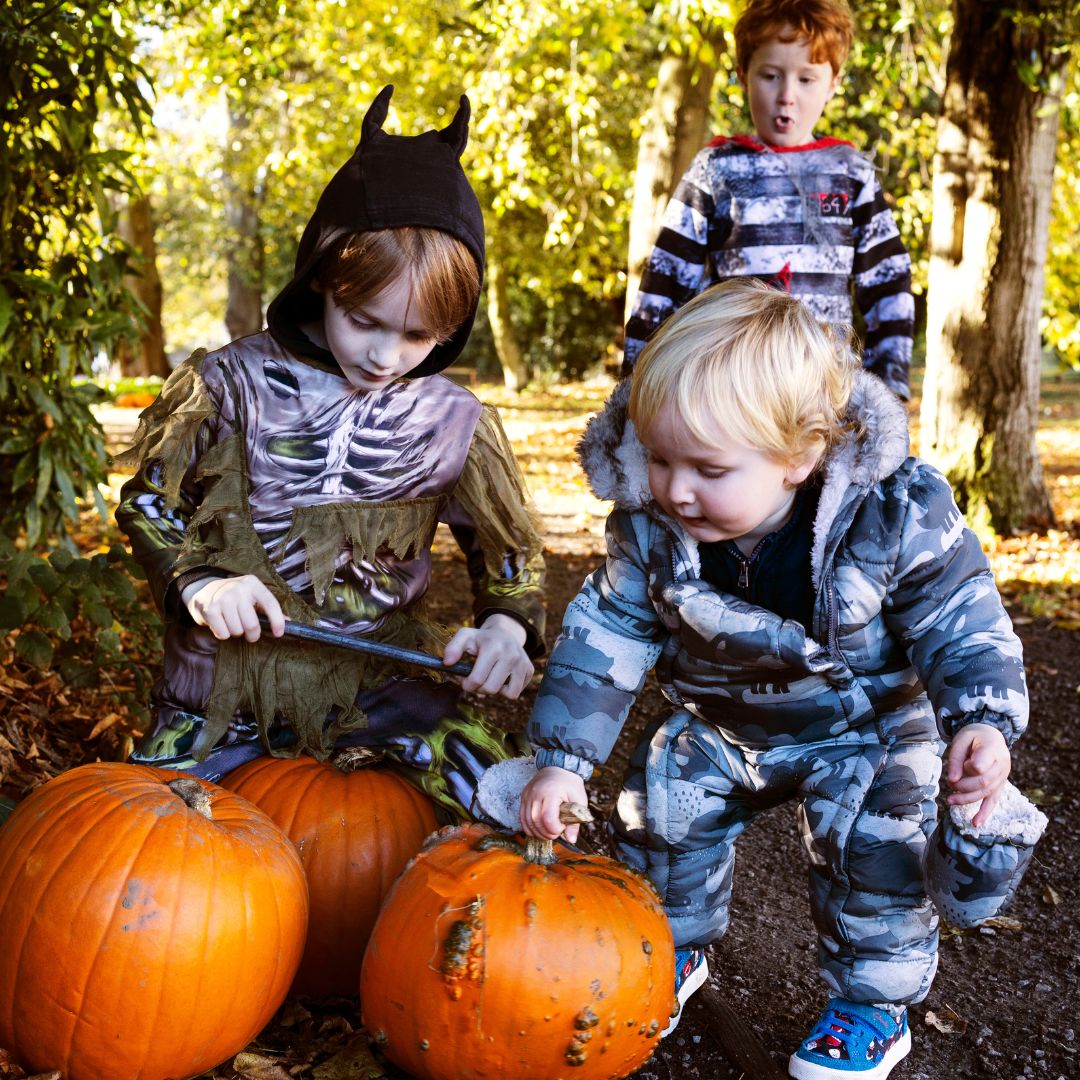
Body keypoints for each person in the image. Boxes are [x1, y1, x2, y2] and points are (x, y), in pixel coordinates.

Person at [520, 280, 1028, 1078]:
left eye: (708, 468)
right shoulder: (655, 532)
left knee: (878, 840)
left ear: (802, 455)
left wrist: (983, 718)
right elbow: (606, 633)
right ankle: (669, 951)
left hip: (866, 724)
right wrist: (561, 757)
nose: (676, 488)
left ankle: (872, 1002)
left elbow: (960, 617)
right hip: (724, 722)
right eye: (658, 459)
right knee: (660, 807)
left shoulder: (894, 514)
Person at [115, 85, 545, 823]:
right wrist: (200, 583)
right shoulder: (225, 385)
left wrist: (507, 625)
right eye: (363, 320)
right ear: (320, 276)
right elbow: (148, 498)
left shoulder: (457, 421)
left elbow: (510, 553)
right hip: (222, 689)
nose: (385, 356)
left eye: (419, 337)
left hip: (382, 684)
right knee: (130, 845)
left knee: (517, 804)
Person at [623, 0, 914, 400]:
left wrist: (889, 394)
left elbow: (888, 284)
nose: (786, 96)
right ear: (744, 74)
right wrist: (633, 390)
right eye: (771, 76)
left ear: (833, 83)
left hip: (827, 397)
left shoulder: (851, 174)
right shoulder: (716, 170)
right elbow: (665, 281)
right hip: (733, 395)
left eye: (807, 80)